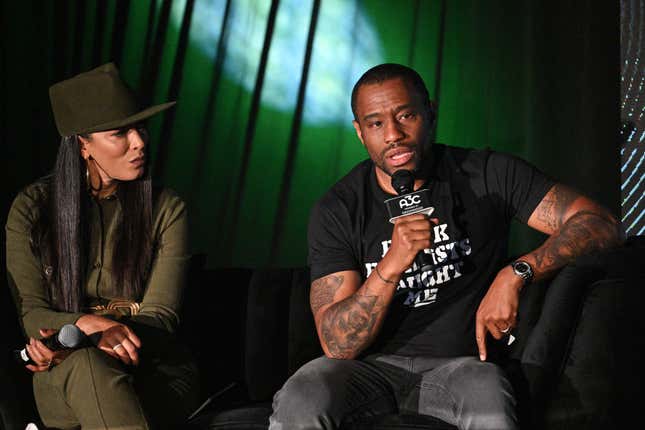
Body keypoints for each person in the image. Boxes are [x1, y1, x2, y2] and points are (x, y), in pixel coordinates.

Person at [269, 63, 621, 430]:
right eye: (375, 124)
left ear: (431, 113)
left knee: (490, 403)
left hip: (460, 367)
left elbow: (601, 223)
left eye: (405, 115)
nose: (393, 134)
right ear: (360, 133)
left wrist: (518, 272)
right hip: (363, 371)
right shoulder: (339, 208)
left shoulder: (488, 174)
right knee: (302, 397)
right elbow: (338, 346)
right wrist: (391, 266)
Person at [5, 62, 200, 429]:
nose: (139, 142)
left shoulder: (168, 210)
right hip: (63, 374)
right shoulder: (31, 211)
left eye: (140, 127)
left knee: (94, 370)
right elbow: (32, 315)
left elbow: (160, 317)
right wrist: (86, 327)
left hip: (152, 371)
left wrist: (85, 334)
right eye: (119, 133)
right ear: (83, 145)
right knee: (86, 368)